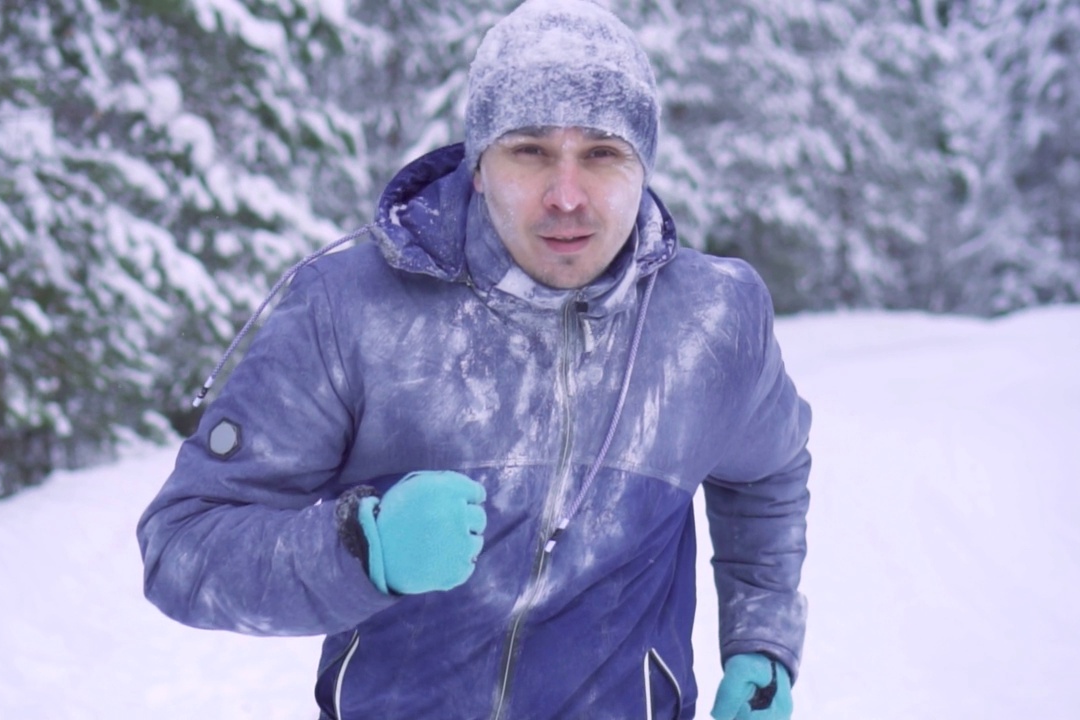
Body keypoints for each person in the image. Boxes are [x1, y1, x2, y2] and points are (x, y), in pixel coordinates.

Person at [137, 1, 811, 718]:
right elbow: (183, 548)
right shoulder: (352, 310)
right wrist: (362, 550)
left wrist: (761, 642)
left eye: (602, 154)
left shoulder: (711, 319)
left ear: (642, 168)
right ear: (480, 165)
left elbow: (768, 470)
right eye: (530, 150)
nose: (567, 196)